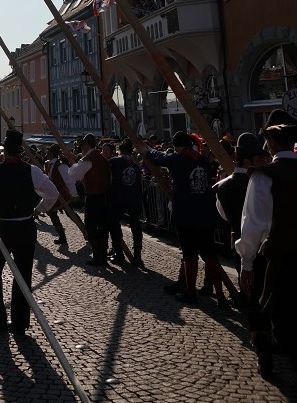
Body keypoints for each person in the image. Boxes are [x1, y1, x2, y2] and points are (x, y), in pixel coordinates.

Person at [0, 129, 58, 333]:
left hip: (5, 228)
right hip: (25, 227)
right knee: (23, 273)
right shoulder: (32, 171)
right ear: (21, 151)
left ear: (5, 151)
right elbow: (52, 193)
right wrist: (39, 209)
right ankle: (20, 322)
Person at [137, 130, 228, 308]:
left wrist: (146, 149)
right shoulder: (202, 159)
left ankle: (191, 292)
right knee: (210, 255)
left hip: (187, 214)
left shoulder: (178, 159)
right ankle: (220, 294)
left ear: (177, 146)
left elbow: (160, 157)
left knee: (189, 255)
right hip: (205, 214)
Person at [236, 123, 297, 376]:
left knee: (269, 310)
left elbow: (253, 223)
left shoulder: (264, 175)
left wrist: (246, 262)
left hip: (273, 255)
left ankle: (266, 357)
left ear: (271, 144)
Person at [70, 134, 112, 266]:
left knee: (91, 226)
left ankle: (97, 255)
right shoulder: (104, 159)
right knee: (103, 226)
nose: (81, 148)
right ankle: (103, 255)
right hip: (105, 196)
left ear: (87, 145)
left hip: (93, 197)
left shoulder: (86, 160)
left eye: (82, 146)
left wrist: (74, 164)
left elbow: (74, 176)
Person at [108, 140, 144, 268]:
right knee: (136, 227)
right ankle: (138, 257)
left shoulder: (114, 162)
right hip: (134, 199)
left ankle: (119, 255)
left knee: (114, 224)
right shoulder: (135, 166)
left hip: (119, 198)